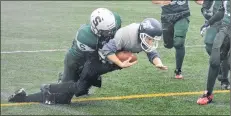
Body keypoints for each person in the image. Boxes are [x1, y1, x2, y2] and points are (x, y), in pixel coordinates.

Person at [13, 18, 168, 105]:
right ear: (141, 34)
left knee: (80, 91)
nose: (150, 42)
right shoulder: (125, 35)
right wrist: (120, 63)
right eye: (149, 38)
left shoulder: (141, 36)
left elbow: (151, 51)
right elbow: (106, 51)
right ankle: (42, 90)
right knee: (66, 96)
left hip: (106, 64)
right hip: (97, 61)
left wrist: (157, 63)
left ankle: (66, 81)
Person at [8, 8, 122, 104]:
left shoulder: (115, 20)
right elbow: (95, 62)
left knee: (83, 87)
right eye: (107, 32)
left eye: (112, 29)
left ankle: (64, 80)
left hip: (92, 57)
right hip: (76, 62)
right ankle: (26, 96)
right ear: (96, 30)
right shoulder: (86, 38)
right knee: (64, 97)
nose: (111, 33)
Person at [152, 0, 203, 79]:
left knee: (179, 42)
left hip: (183, 14)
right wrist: (162, 2)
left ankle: (178, 70)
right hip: (166, 16)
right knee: (168, 45)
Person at [197, 0, 230, 105]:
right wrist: (208, 23)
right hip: (225, 28)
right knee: (214, 60)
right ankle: (208, 93)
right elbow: (222, 11)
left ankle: (224, 79)